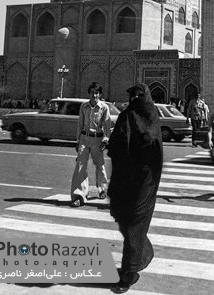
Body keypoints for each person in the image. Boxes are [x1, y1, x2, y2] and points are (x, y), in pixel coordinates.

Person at [107, 83, 163, 293]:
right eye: (132, 95)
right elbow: (116, 143)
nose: (134, 99)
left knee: (134, 226)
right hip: (125, 179)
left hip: (144, 182)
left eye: (139, 95)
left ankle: (129, 273)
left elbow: (154, 148)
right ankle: (144, 253)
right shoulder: (126, 116)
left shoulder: (151, 117)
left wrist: (144, 143)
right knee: (124, 220)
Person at [70, 82, 111, 207]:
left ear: (100, 94)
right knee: (80, 166)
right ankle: (79, 195)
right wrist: (78, 141)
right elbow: (80, 124)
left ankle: (102, 189)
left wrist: (105, 140)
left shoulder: (104, 108)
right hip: (84, 138)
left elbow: (107, 125)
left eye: (96, 93)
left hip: (97, 140)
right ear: (89, 93)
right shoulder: (84, 106)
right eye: (92, 92)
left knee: (100, 165)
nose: (94, 95)